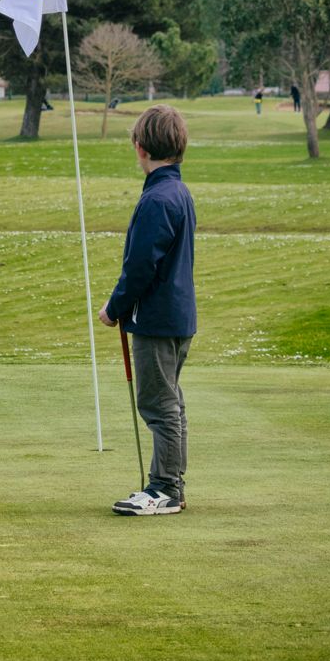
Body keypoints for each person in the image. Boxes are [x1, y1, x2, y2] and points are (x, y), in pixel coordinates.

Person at [98, 105, 196, 516]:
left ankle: (165, 488)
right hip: (176, 315)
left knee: (159, 404)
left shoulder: (157, 199)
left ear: (140, 147)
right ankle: (168, 483)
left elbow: (140, 266)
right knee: (169, 401)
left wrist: (114, 307)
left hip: (156, 319)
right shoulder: (178, 191)